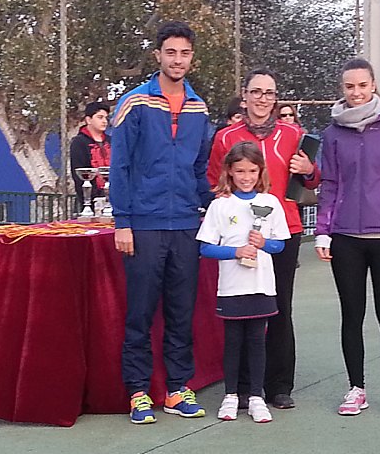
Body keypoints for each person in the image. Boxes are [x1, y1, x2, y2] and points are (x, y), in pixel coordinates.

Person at [110, 21, 213, 424]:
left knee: (181, 312)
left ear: (192, 58)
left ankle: (177, 389)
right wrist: (123, 221)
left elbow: (199, 168)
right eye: (171, 52)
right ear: (158, 55)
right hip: (145, 224)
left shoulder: (199, 108)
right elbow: (120, 165)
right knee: (140, 312)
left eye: (184, 53)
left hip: (186, 225)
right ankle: (138, 392)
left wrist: (215, 208)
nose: (177, 60)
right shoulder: (134, 103)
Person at [208, 68, 320, 410]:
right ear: (245, 96)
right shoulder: (226, 137)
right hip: (239, 237)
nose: (262, 99)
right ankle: (243, 387)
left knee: (279, 307)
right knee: (243, 309)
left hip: (283, 231)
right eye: (256, 92)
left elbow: (313, 181)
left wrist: (309, 171)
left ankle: (279, 385)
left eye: (269, 93)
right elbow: (213, 181)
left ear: (275, 99)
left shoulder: (293, 134)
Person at [315, 58, 380, 418]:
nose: (356, 93)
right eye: (349, 86)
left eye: (362, 85)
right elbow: (330, 184)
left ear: (373, 86)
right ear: (342, 88)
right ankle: (356, 388)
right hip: (345, 238)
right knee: (351, 315)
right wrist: (323, 232)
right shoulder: (332, 134)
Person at [198, 141, 290, 423]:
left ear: (260, 171)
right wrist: (235, 252)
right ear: (229, 171)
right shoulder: (220, 205)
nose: (246, 177)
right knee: (233, 341)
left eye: (252, 171)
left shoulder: (270, 203)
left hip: (261, 285)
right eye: (240, 171)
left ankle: (256, 397)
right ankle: (231, 395)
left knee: (257, 340)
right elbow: (205, 248)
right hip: (231, 287)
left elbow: (280, 245)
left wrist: (263, 243)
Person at [70, 102, 111, 214]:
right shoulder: (79, 142)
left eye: (106, 118)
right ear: (88, 120)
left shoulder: (111, 141)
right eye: (100, 117)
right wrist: (89, 201)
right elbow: (78, 175)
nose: (104, 121)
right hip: (90, 200)